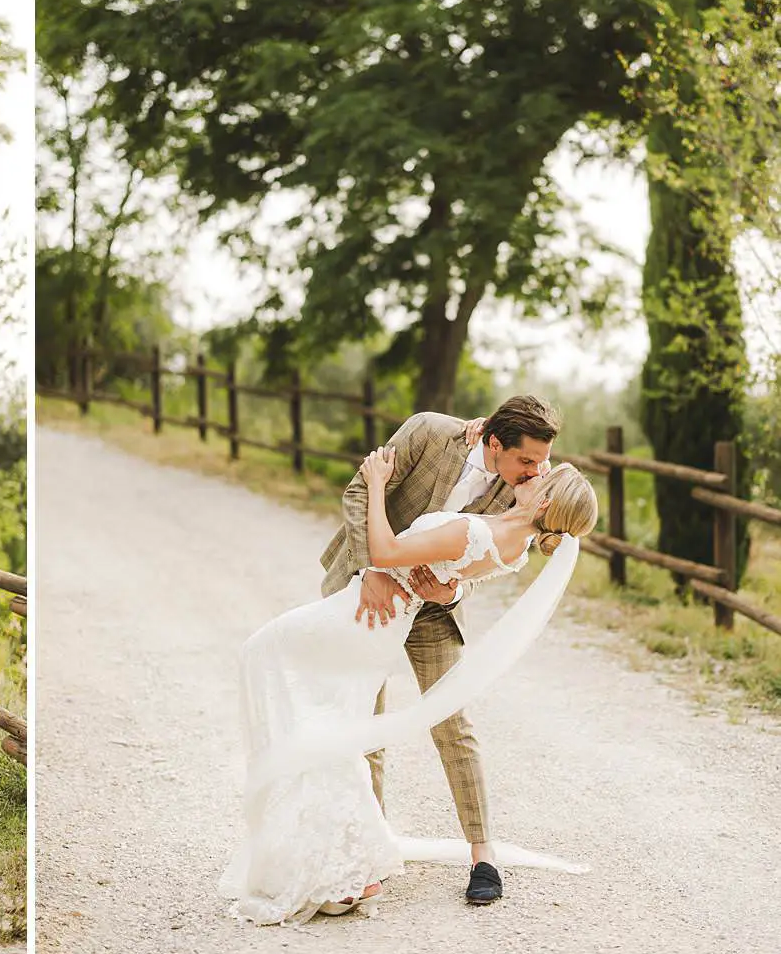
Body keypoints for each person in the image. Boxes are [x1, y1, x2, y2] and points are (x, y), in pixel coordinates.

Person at [218, 438, 597, 926]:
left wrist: (378, 484)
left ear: (545, 501)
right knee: (334, 719)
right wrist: (452, 580)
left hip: (369, 615)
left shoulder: (482, 530)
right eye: (533, 463)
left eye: (542, 474)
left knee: (271, 661)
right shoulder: (517, 543)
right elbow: (464, 562)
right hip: (377, 612)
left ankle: (357, 864)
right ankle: (352, 858)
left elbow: (388, 549)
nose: (535, 471)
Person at [320, 396, 559, 905]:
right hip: (370, 593)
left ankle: (483, 854)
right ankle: (370, 850)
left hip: (433, 608)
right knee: (367, 724)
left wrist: (449, 593)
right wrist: (373, 572)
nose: (536, 471)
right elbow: (361, 490)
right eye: (526, 460)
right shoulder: (430, 432)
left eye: (540, 461)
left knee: (453, 722)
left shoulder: (525, 485)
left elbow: (488, 563)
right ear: (494, 443)